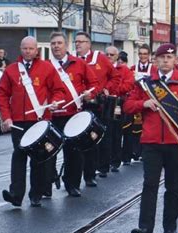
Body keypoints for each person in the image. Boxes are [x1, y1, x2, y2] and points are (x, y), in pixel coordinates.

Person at [126, 43, 178, 233]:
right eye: (162, 58)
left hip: (175, 143)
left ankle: (170, 229)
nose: (166, 61)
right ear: (155, 61)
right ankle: (145, 229)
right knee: (149, 185)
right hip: (151, 142)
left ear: (175, 60)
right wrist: (144, 103)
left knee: (173, 187)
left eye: (169, 58)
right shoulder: (146, 84)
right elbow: (128, 105)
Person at [0, 36, 65, 208]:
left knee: (38, 159)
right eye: (24, 48)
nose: (27, 51)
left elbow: (58, 89)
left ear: (36, 50)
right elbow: (2, 93)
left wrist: (55, 101)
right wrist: (6, 116)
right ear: (21, 49)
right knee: (18, 155)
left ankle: (36, 193)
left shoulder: (47, 68)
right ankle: (16, 195)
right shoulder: (12, 70)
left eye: (30, 49)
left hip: (39, 121)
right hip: (18, 121)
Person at [45, 32, 100, 198]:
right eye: (53, 43)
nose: (56, 46)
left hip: (73, 114)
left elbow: (94, 84)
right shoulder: (46, 66)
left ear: (66, 45)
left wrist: (90, 94)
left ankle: (72, 184)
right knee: (48, 152)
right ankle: (47, 184)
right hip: (52, 115)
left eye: (59, 43)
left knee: (74, 152)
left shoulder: (79, 63)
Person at [74, 31, 121, 183]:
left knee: (97, 138)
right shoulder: (72, 60)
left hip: (98, 105)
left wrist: (107, 88)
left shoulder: (100, 58)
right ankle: (78, 173)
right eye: (76, 41)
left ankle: (95, 170)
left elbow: (115, 76)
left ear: (89, 44)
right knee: (78, 141)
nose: (78, 44)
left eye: (81, 41)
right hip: (79, 105)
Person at [104, 45, 134, 172]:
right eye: (107, 54)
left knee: (116, 133)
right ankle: (103, 163)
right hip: (103, 103)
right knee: (105, 134)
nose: (109, 57)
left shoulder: (125, 70)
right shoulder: (101, 68)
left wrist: (112, 90)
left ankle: (115, 161)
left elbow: (129, 85)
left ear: (117, 57)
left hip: (117, 103)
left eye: (112, 55)